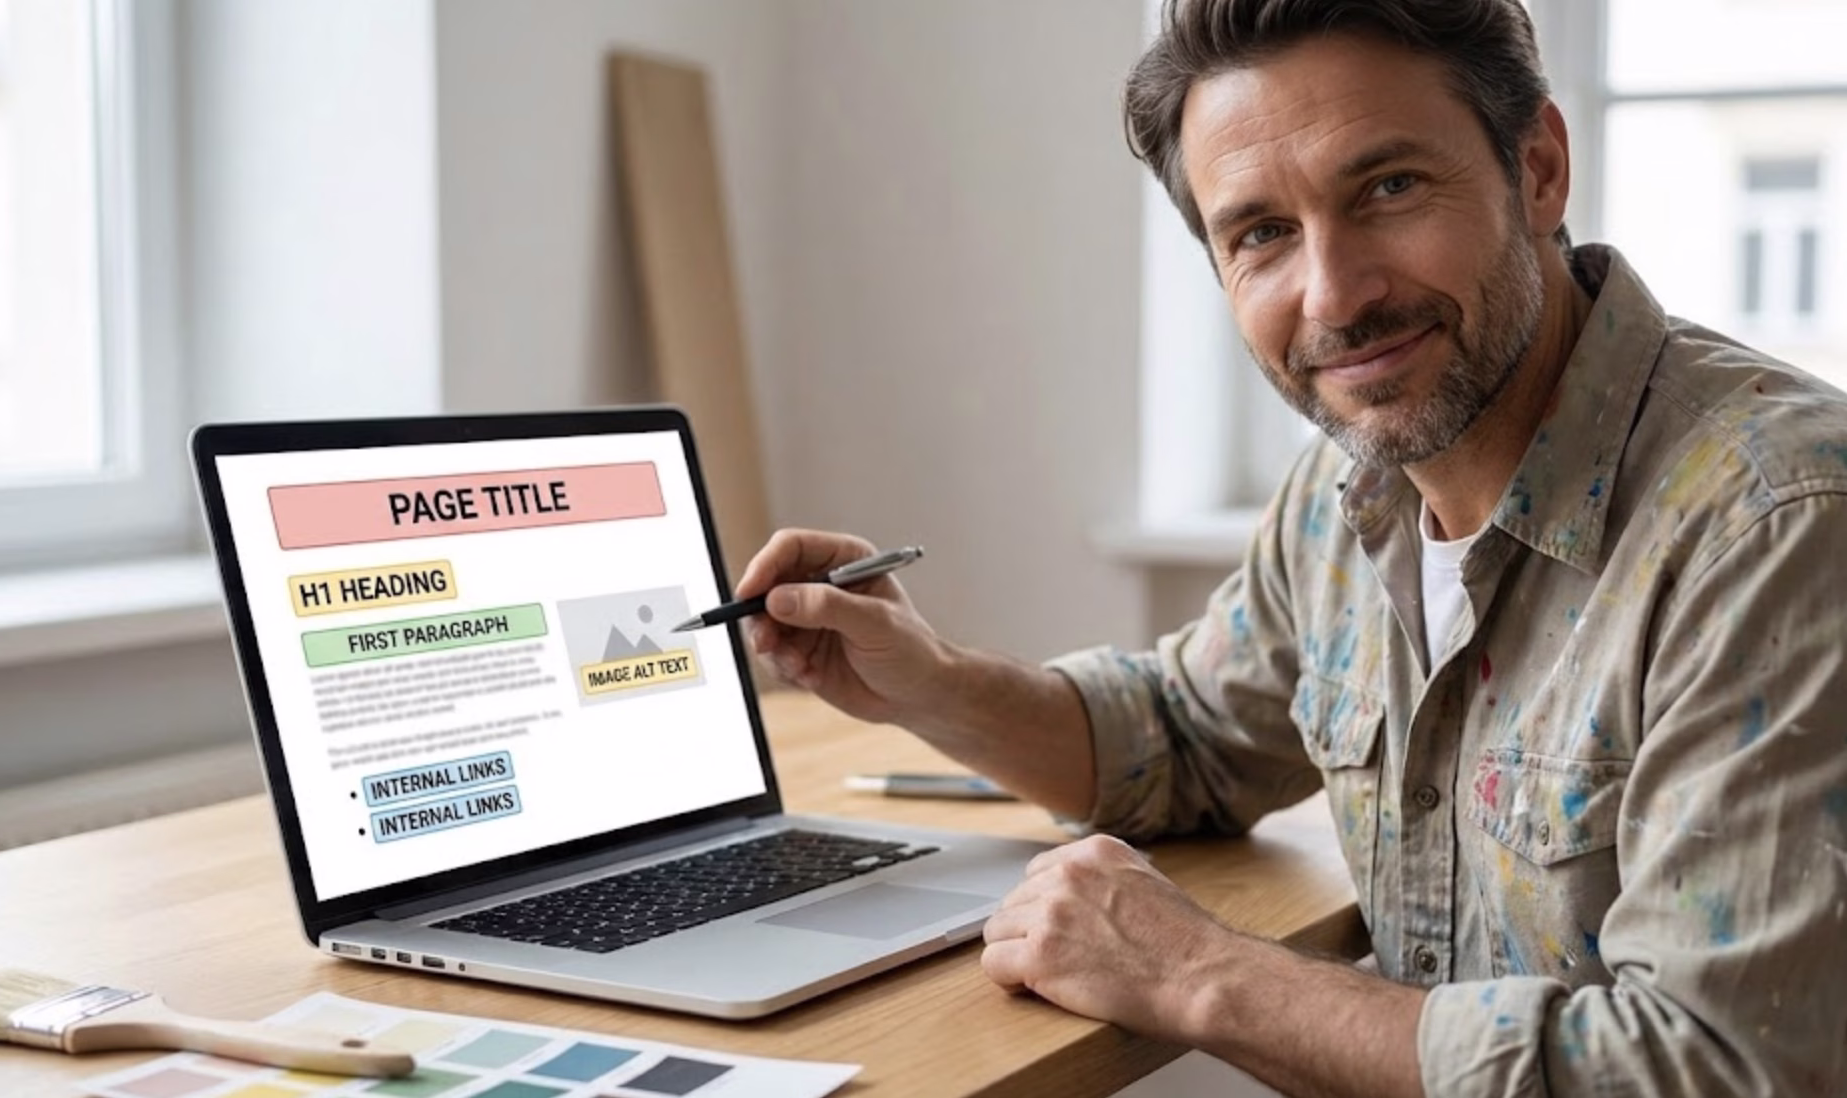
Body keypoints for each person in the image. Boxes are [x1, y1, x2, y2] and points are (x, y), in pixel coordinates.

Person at [736, 1, 1847, 1094]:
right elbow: (1182, 738)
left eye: (1388, 188)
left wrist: (1199, 975)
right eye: (1259, 232)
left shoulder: (1777, 519)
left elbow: (1712, 1068)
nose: (1332, 294)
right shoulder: (1348, 484)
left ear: (1538, 168)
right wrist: (923, 683)